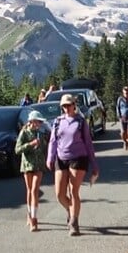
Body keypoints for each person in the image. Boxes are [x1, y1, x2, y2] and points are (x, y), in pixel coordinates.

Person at [46, 94, 99, 236]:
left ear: (74, 105)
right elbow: (53, 141)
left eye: (68, 105)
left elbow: (88, 144)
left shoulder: (81, 122)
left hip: (78, 158)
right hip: (61, 158)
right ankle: (70, 211)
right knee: (59, 194)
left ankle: (74, 222)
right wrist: (50, 158)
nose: (66, 108)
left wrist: (94, 166)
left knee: (73, 191)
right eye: (63, 106)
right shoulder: (58, 122)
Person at [14, 109, 50, 231]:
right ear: (32, 121)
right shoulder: (24, 133)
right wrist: (30, 144)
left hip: (39, 165)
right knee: (29, 190)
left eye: (40, 122)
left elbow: (45, 147)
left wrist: (44, 141)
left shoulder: (40, 132)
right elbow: (17, 149)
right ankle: (29, 214)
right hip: (27, 165)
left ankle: (34, 219)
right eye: (38, 122)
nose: (39, 124)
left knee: (35, 190)